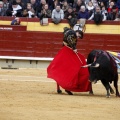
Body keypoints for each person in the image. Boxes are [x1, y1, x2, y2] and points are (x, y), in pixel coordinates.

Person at [47, 27, 91, 95]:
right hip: (67, 52)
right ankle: (66, 88)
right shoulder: (72, 33)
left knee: (63, 70)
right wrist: (74, 48)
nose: (78, 38)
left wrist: (73, 48)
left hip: (66, 51)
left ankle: (61, 88)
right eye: (79, 36)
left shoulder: (72, 34)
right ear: (77, 32)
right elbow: (69, 39)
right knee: (70, 69)